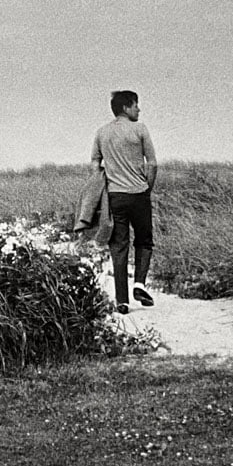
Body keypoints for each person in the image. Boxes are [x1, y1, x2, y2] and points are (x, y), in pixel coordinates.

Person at [90, 90, 158, 315]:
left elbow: (94, 162)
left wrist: (103, 181)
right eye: (136, 105)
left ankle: (122, 301)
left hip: (115, 195)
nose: (139, 109)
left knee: (119, 247)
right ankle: (139, 283)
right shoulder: (140, 129)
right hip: (139, 193)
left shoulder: (102, 132)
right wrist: (147, 187)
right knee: (144, 241)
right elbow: (153, 164)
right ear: (126, 108)